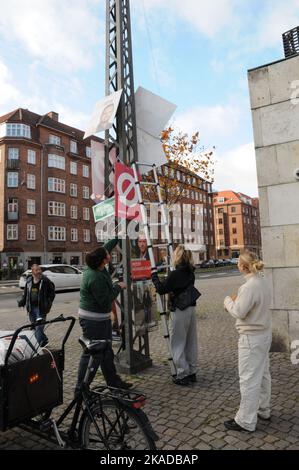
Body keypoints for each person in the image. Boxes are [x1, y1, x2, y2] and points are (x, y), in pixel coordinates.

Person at [223, 250, 272, 433]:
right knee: (263, 374)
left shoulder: (249, 286)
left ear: (242, 266)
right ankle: (263, 409)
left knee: (249, 379)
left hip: (251, 338)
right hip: (264, 334)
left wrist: (227, 301)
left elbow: (238, 312)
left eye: (237, 263)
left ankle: (245, 420)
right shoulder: (263, 281)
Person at [75, 239, 131, 394]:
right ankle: (81, 389)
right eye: (108, 254)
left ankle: (114, 384)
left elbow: (105, 247)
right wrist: (117, 286)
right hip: (93, 321)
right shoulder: (95, 277)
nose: (109, 253)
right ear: (103, 260)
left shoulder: (98, 266)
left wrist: (118, 236)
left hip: (100, 319)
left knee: (106, 352)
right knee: (93, 354)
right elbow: (105, 301)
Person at [151, 245, 199, 386]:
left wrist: (154, 277)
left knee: (177, 341)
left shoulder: (175, 274)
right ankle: (192, 371)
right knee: (191, 340)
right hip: (191, 308)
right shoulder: (190, 271)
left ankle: (182, 374)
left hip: (179, 310)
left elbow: (161, 289)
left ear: (177, 256)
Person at [17, 264, 55, 347]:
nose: (39, 271)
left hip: (41, 309)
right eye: (36, 270)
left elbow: (52, 293)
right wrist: (22, 302)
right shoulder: (29, 281)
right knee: (35, 326)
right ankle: (44, 340)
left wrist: (48, 303)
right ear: (32, 271)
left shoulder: (45, 281)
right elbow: (26, 294)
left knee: (39, 327)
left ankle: (38, 346)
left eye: (39, 270)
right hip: (31, 308)